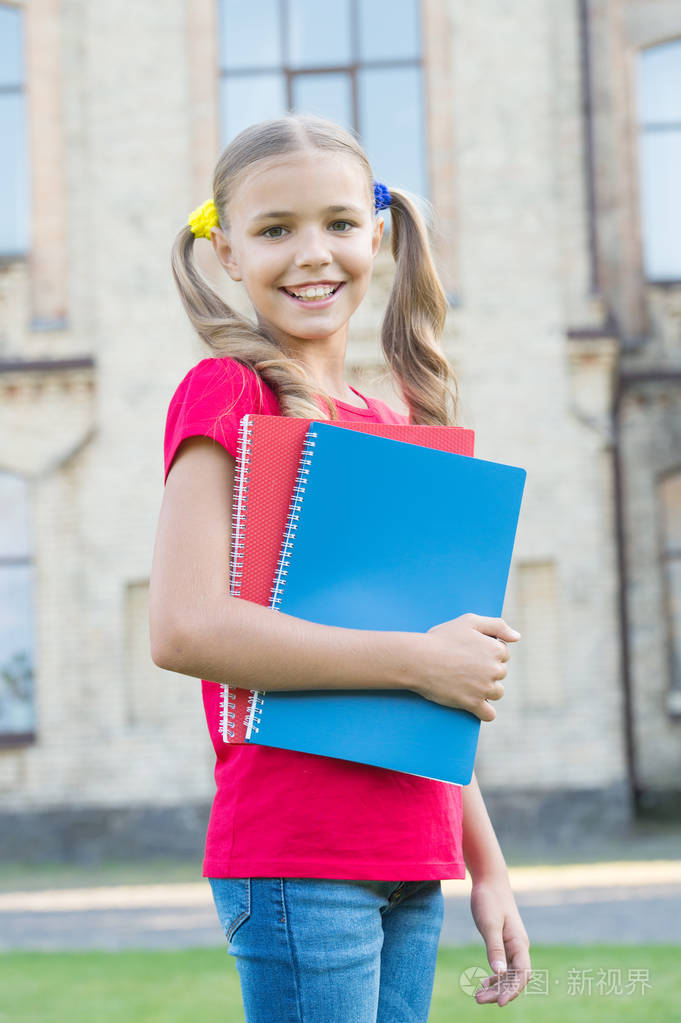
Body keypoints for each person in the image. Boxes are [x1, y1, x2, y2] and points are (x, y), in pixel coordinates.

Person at [150, 114, 531, 1021]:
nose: (310, 253)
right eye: (274, 230)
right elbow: (184, 627)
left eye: (337, 224)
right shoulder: (227, 392)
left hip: (412, 853)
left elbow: (435, 690)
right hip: (297, 850)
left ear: (377, 232)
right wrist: (419, 659)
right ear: (229, 253)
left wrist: (487, 866)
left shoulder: (391, 423)